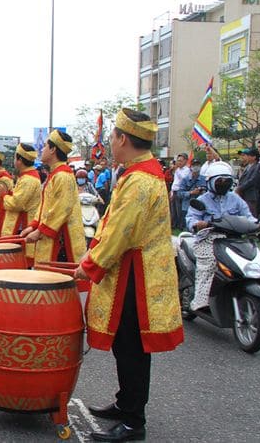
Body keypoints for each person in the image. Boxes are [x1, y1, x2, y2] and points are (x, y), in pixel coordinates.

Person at [74, 108, 183, 442]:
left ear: (123, 138)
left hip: (139, 276)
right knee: (127, 345)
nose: (110, 142)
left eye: (112, 137)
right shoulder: (137, 174)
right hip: (132, 270)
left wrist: (89, 266)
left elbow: (121, 232)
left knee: (133, 347)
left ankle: (134, 421)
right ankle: (126, 404)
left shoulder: (140, 181)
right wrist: (92, 254)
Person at [185, 160, 258, 311]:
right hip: (208, 239)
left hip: (233, 240)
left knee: (254, 260)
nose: (223, 183)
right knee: (208, 265)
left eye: (227, 180)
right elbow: (191, 218)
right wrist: (197, 224)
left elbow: (247, 216)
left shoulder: (235, 199)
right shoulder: (202, 200)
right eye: (220, 180)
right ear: (211, 181)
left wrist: (256, 224)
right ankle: (200, 300)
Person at [21, 130, 86, 264]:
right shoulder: (55, 174)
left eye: (45, 146)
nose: (42, 149)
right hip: (49, 235)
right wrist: (33, 226)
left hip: (61, 240)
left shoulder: (63, 176)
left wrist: (39, 232)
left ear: (53, 149)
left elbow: (61, 210)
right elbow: (45, 206)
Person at [0, 143, 41, 264]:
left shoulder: (28, 179)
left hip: (23, 225)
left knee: (17, 260)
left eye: (16, 157)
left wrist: (4, 194)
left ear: (20, 160)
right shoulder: (26, 177)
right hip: (22, 223)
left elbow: (16, 204)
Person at [234, 147, 260, 216]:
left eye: (248, 155)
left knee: (251, 214)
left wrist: (240, 188)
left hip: (251, 195)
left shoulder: (257, 166)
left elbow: (252, 180)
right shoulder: (248, 166)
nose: (246, 157)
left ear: (254, 157)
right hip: (244, 194)